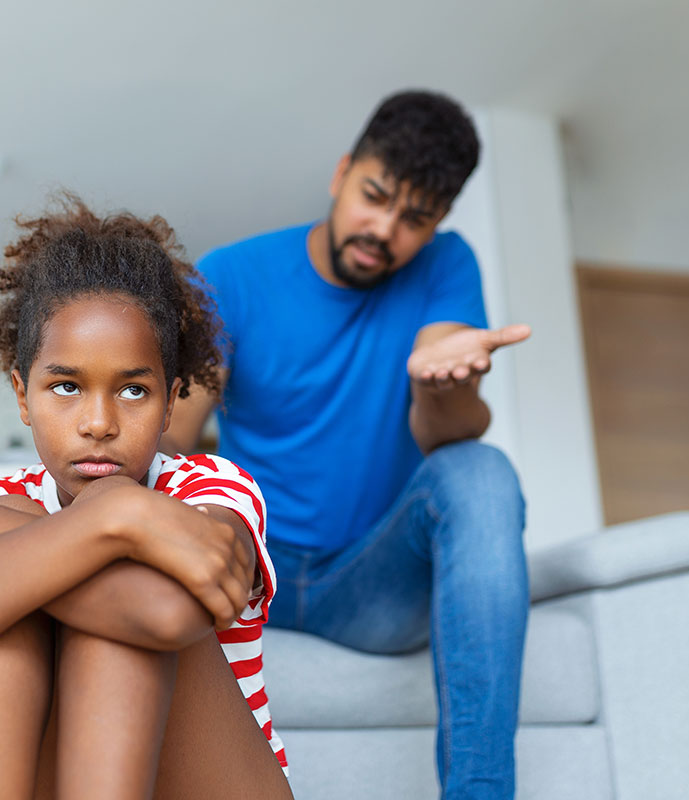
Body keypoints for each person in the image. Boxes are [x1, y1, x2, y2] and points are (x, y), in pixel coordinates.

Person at [161, 90, 532, 799]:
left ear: (439, 223)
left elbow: (443, 435)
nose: (383, 228)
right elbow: (173, 437)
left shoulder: (447, 266)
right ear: (341, 173)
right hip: (249, 569)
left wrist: (440, 385)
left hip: (369, 581)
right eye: (374, 196)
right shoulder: (233, 277)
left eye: (414, 218)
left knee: (481, 471)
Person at [0, 197, 293, 800]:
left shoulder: (208, 486)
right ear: (22, 393)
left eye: (134, 391)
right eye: (66, 386)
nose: (98, 423)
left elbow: (164, 615)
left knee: (106, 596)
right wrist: (113, 523)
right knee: (10, 580)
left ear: (172, 402)